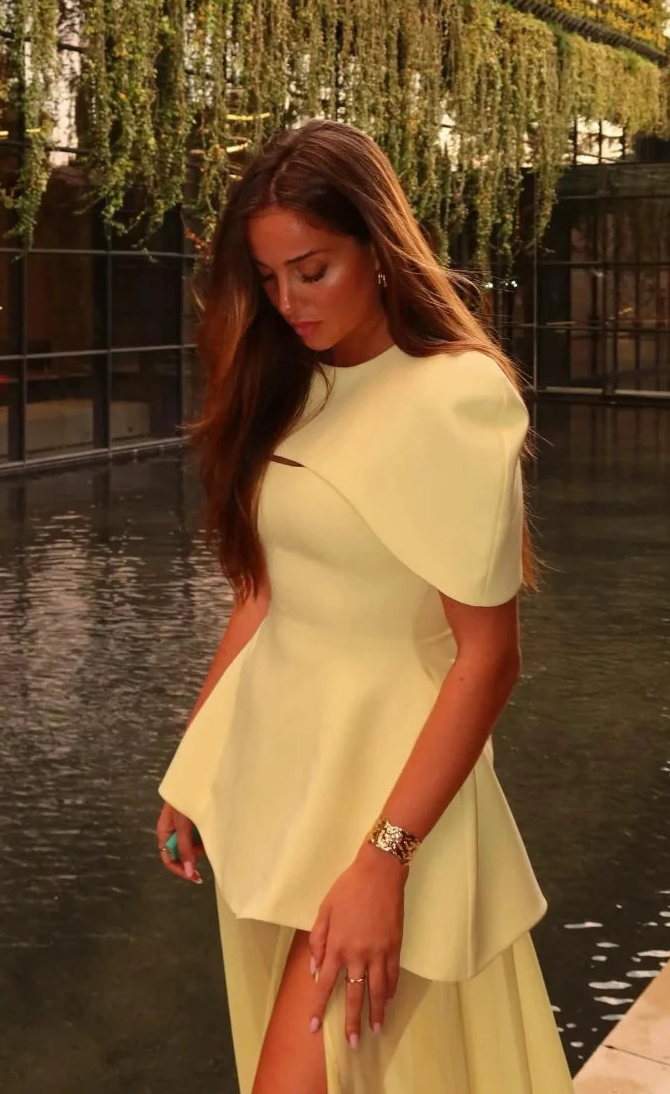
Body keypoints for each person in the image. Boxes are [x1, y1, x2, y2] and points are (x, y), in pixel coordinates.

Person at [155, 119, 573, 1093]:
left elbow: (488, 658)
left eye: (314, 269)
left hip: (390, 801)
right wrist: (193, 762)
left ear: (379, 253)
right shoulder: (294, 384)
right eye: (269, 278)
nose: (289, 301)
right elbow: (265, 591)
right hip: (278, 775)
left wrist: (386, 859)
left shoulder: (454, 397)